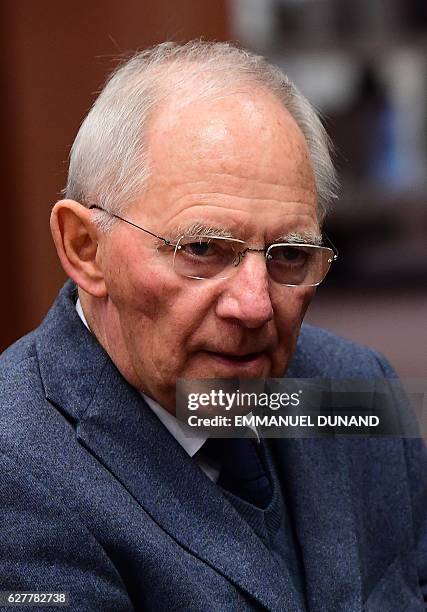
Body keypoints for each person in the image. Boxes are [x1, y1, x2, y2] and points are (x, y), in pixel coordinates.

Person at [0, 41, 425, 611]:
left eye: (290, 255)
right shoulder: (17, 471)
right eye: (201, 249)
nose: (255, 306)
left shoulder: (351, 385)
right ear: (85, 250)